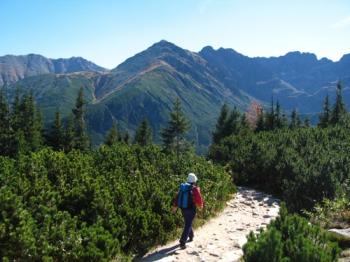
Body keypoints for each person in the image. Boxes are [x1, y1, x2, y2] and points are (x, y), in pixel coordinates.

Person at [172, 172, 204, 249]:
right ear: (194, 180)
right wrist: (200, 206)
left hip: (183, 208)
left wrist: (174, 207)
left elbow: (177, 197)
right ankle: (182, 242)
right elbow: (199, 199)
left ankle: (191, 236)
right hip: (191, 209)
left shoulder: (182, 187)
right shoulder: (194, 188)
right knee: (188, 224)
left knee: (188, 222)